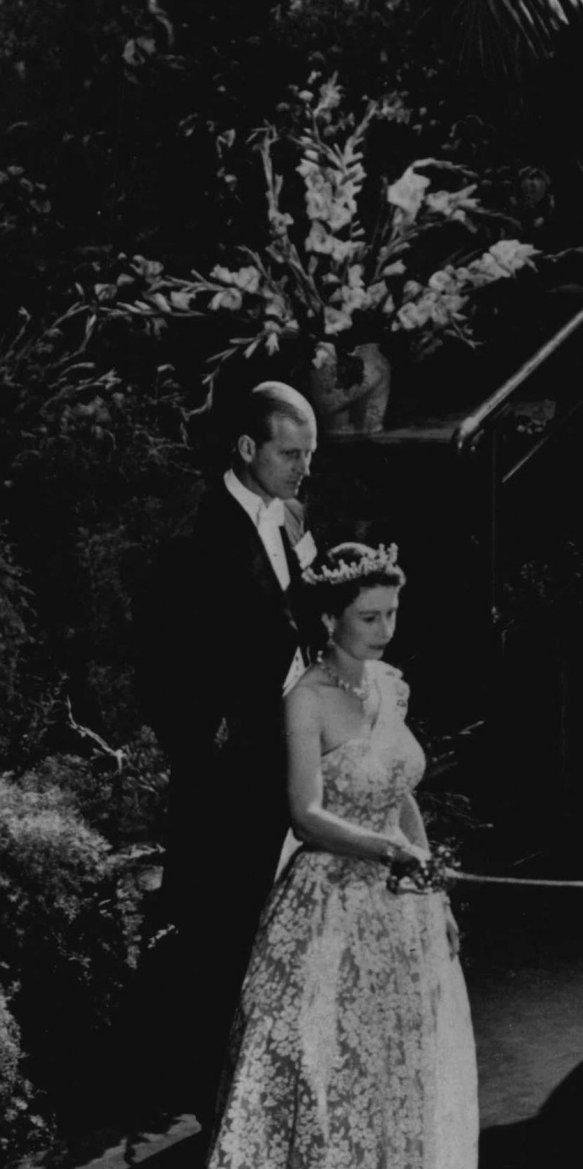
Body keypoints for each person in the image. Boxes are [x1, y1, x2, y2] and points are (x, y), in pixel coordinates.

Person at [151, 542, 479, 1169]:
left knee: (400, 1088)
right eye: (368, 616)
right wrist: (388, 852)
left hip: (400, 914)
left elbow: (404, 791)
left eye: (392, 614)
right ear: (328, 620)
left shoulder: (391, 683)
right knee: (334, 1095)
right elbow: (303, 814)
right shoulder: (304, 698)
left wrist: (430, 880)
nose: (383, 629)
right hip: (330, 909)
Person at [136, 380, 321, 1120]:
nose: (303, 468)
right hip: (229, 776)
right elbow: (159, 669)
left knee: (283, 924)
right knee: (222, 936)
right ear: (246, 449)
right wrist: (208, 750)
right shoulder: (195, 539)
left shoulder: (292, 516)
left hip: (293, 759)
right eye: (289, 453)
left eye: (310, 454)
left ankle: (267, 1082)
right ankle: (216, 1106)